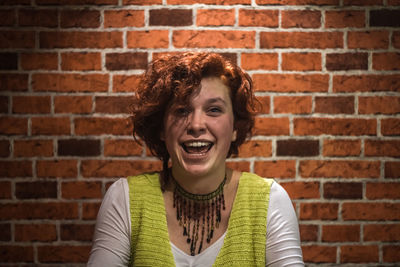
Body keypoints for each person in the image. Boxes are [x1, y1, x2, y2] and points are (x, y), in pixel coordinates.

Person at [87, 52, 304, 266]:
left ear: (235, 128)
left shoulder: (270, 201)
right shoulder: (124, 198)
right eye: (182, 110)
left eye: (214, 110)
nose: (196, 124)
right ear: (162, 128)